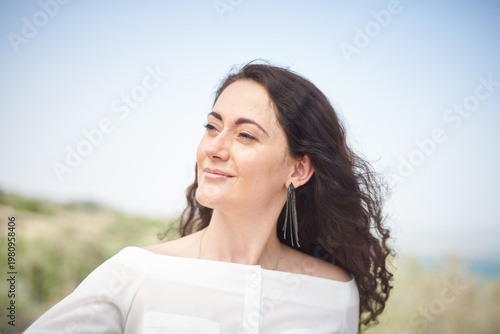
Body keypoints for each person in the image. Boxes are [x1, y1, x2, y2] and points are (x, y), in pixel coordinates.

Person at [25, 62, 393, 333]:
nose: (214, 148)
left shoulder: (334, 293)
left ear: (297, 170)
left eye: (245, 135)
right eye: (212, 127)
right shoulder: (137, 274)